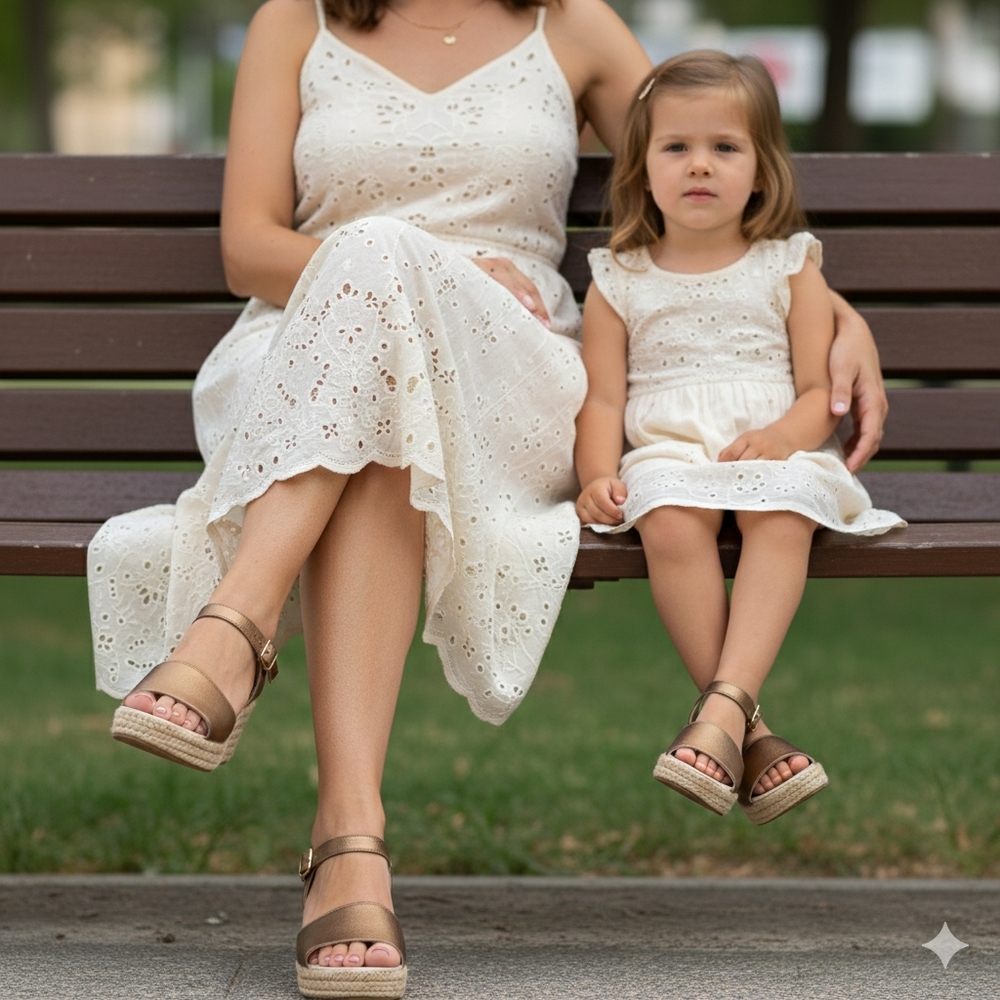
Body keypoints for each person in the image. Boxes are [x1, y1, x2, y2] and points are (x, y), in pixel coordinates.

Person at [84, 3, 888, 996]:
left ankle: (233, 637)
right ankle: (350, 836)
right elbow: (249, 247)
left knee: (388, 297)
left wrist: (834, 310)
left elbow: (710, 164)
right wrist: (424, 280)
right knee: (380, 298)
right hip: (303, 361)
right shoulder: (295, 20)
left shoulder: (575, 23)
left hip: (508, 369)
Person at [574, 51, 904, 826]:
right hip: (670, 449)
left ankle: (720, 711)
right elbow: (602, 399)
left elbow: (821, 389)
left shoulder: (790, 266)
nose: (699, 166)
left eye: (725, 148)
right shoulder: (618, 279)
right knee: (668, 517)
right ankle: (743, 730)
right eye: (676, 148)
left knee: (780, 514)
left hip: (775, 449)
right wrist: (595, 472)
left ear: (761, 171)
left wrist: (785, 436)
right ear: (642, 169)